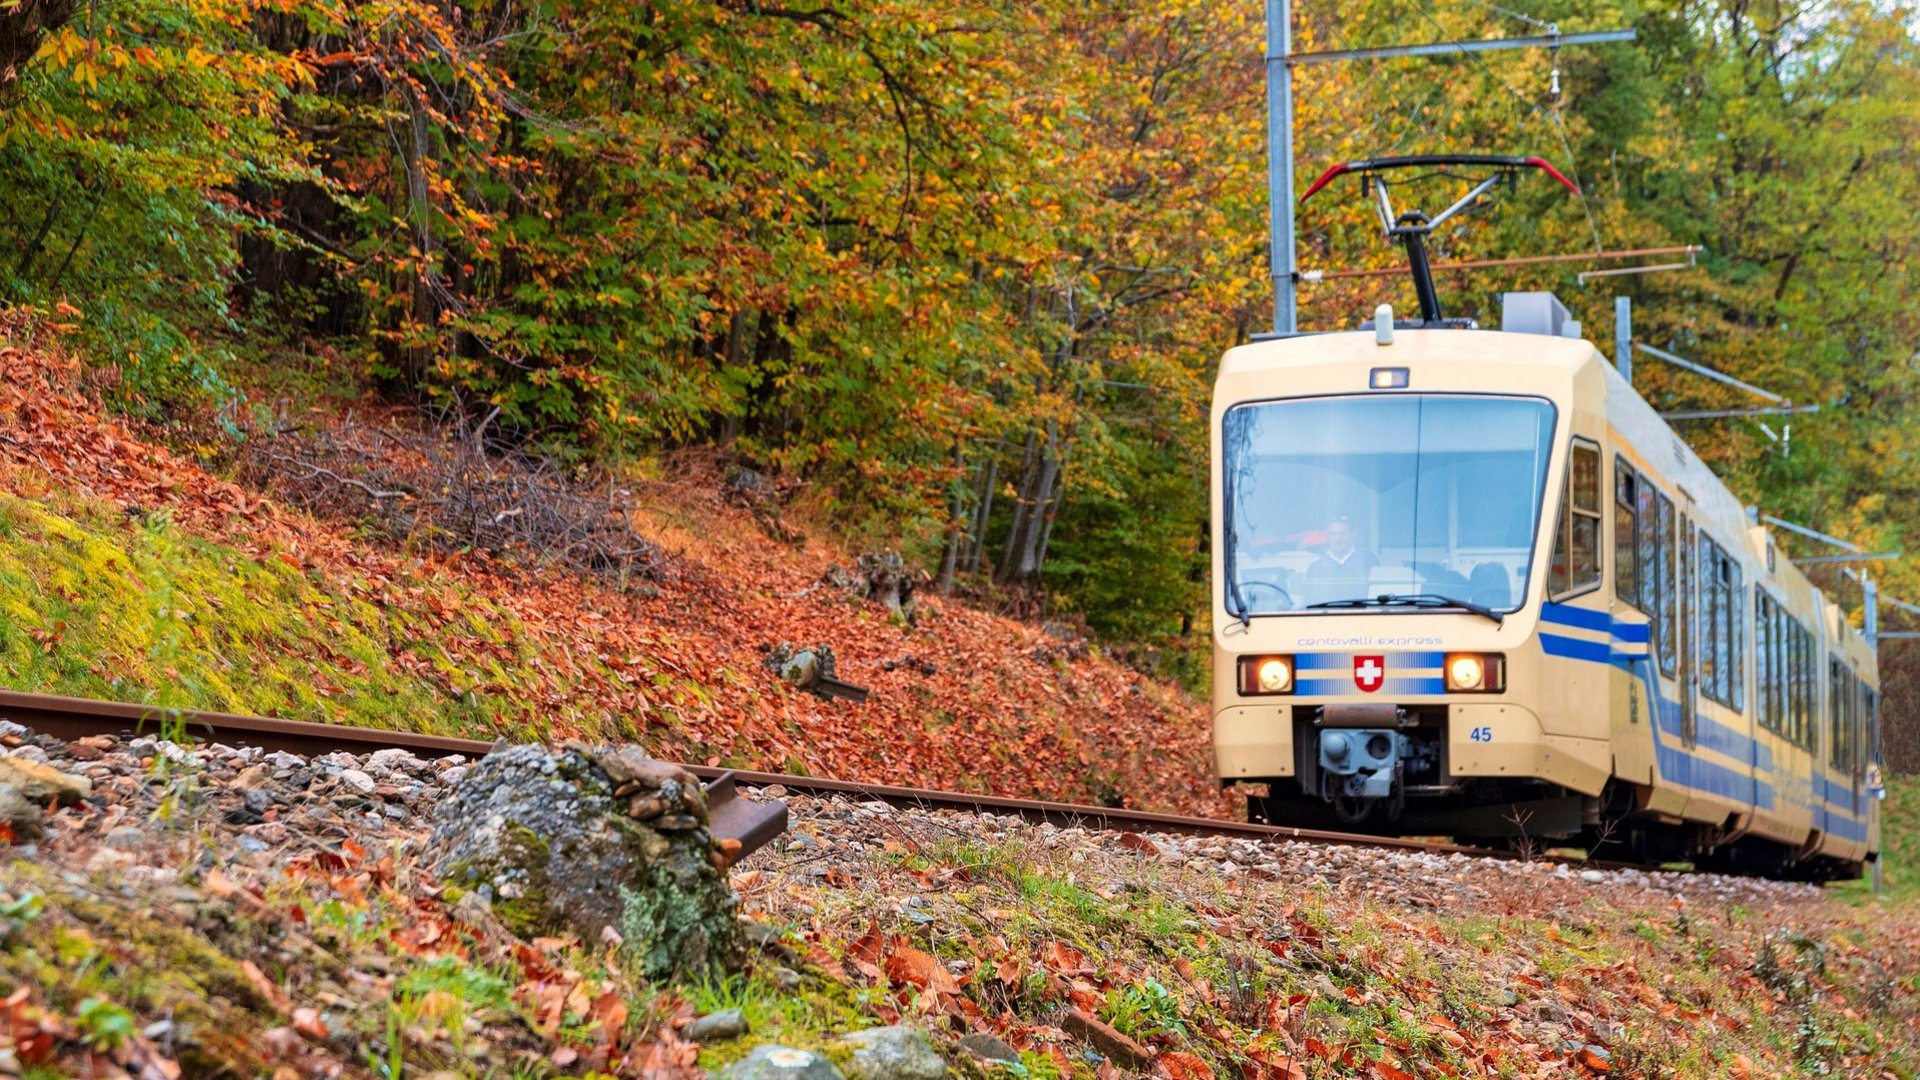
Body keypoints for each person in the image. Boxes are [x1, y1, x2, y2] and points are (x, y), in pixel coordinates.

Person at [1306, 518, 1378, 588]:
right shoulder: (1316, 567)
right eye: (1333, 534)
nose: (1338, 538)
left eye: (1343, 534)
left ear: (1352, 535)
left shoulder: (1367, 560)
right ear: (1327, 536)